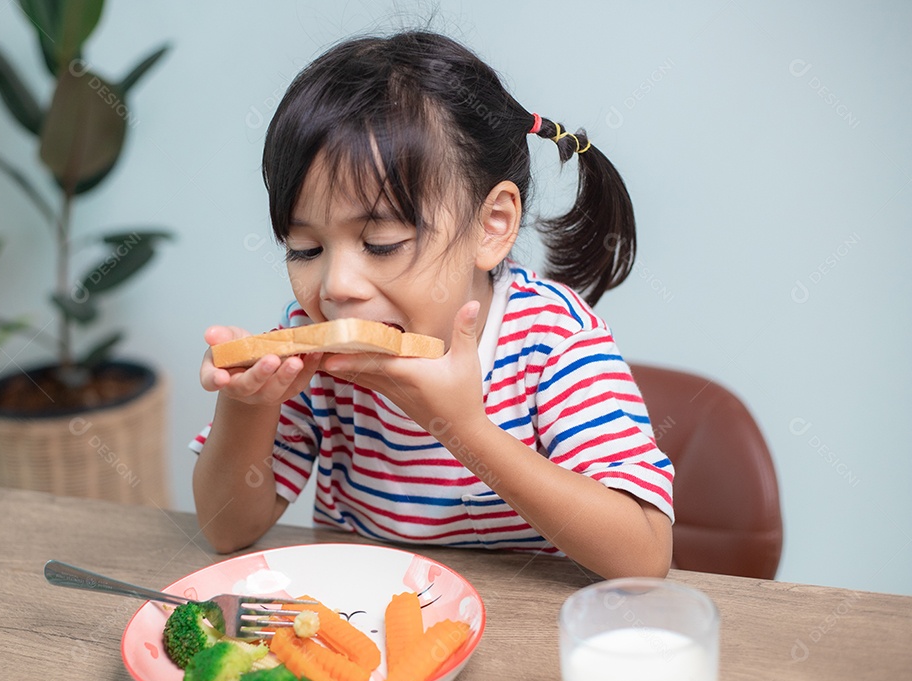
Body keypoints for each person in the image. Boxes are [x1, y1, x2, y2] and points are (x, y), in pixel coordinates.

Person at [192, 30, 673, 579]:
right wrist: (249, 403)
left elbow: (645, 555)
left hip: (528, 635)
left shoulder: (554, 341)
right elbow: (224, 529)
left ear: (492, 227)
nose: (337, 286)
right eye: (307, 249)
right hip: (370, 631)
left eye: (381, 243)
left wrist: (462, 428)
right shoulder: (312, 351)